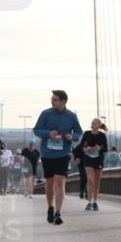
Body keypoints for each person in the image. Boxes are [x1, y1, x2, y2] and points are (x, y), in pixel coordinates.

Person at [34, 90, 83, 225]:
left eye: (55, 100)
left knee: (59, 182)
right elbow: (37, 130)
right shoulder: (45, 114)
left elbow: (78, 132)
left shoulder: (71, 116)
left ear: (63, 101)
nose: (52, 102)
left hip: (63, 153)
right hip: (47, 153)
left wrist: (72, 136)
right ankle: (50, 207)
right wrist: (49, 133)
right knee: (49, 183)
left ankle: (58, 212)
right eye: (52, 99)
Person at [79, 118, 108, 211]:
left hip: (98, 159)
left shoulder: (102, 135)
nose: (93, 124)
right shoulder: (87, 133)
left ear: (99, 125)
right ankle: (89, 202)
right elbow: (81, 145)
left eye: (95, 123)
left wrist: (99, 148)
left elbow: (105, 148)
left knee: (96, 181)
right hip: (88, 159)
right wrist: (85, 149)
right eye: (92, 123)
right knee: (90, 179)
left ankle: (95, 202)